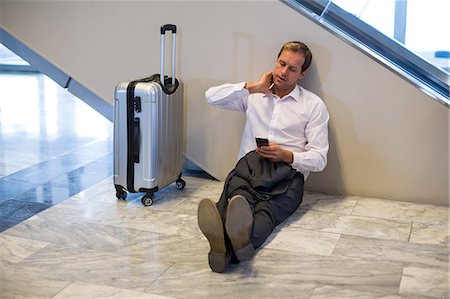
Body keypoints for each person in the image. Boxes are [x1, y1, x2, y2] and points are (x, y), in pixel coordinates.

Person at [198, 41, 329, 273]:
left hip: (287, 177)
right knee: (238, 201)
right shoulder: (254, 95)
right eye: (281, 64)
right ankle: (236, 242)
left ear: (302, 74)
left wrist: (287, 155)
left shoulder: (313, 105)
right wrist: (252, 87)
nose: (283, 72)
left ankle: (223, 246)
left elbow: (320, 159)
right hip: (248, 171)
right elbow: (210, 97)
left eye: (292, 69)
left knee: (266, 214)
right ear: (275, 62)